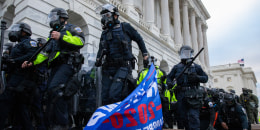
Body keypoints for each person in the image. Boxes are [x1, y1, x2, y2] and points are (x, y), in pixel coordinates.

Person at [22, 7, 85, 129]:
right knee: (50, 93)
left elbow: (80, 41)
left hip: (67, 64)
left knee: (57, 90)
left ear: (62, 18)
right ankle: (52, 123)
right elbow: (45, 53)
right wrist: (32, 62)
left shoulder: (71, 28)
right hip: (55, 67)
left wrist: (61, 36)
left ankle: (63, 124)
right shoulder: (52, 34)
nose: (52, 20)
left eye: (54, 17)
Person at [94, 4, 148, 105]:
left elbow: (139, 39)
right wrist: (97, 60)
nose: (105, 18)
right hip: (108, 68)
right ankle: (109, 120)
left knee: (115, 95)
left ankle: (121, 118)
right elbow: (101, 49)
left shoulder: (125, 27)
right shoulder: (104, 33)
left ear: (115, 16)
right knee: (105, 97)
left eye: (108, 15)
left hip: (123, 67)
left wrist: (145, 54)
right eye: (103, 16)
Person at [0, 22, 39, 130]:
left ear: (23, 32)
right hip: (14, 77)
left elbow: (32, 54)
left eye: (17, 29)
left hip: (20, 78)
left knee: (4, 102)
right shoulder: (18, 45)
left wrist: (14, 61)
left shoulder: (29, 42)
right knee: (20, 109)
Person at [166, 45, 208, 130]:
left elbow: (205, 78)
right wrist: (169, 83)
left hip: (193, 95)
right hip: (181, 95)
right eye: (184, 52)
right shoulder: (177, 67)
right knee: (181, 118)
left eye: (187, 52)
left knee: (193, 117)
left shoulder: (196, 67)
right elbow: (169, 77)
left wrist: (197, 77)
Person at [136, 56, 174, 128]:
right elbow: (138, 84)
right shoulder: (142, 72)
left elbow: (166, 85)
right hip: (146, 94)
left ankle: (164, 122)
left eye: (153, 61)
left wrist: (164, 82)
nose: (152, 62)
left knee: (164, 106)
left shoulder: (161, 71)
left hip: (158, 93)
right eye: (150, 60)